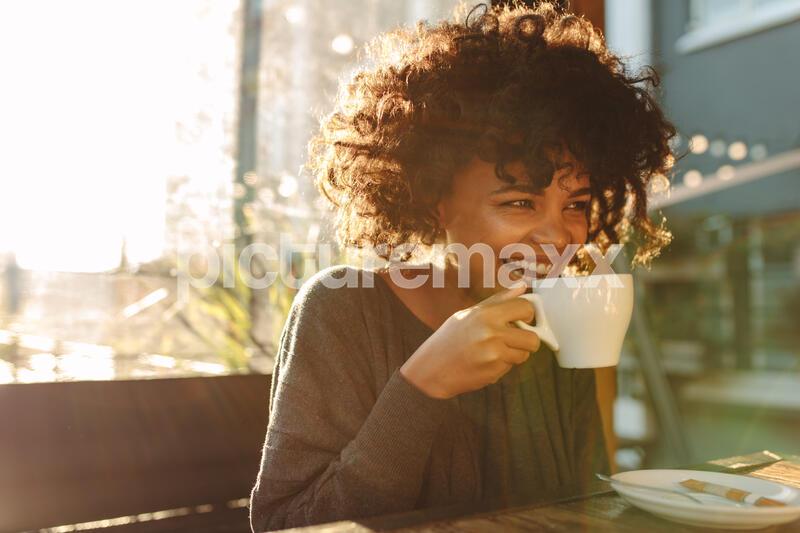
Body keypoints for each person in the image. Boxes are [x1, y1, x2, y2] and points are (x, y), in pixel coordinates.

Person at [249, 1, 676, 531]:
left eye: (576, 204)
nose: (559, 236)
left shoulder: (559, 317)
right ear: (433, 200)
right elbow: (282, 524)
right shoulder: (343, 308)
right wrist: (422, 386)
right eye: (519, 202)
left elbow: (582, 505)